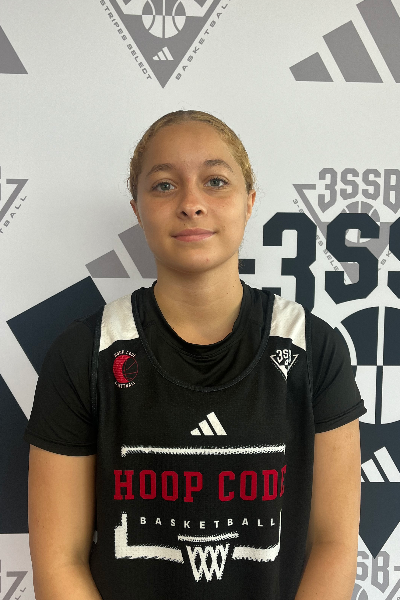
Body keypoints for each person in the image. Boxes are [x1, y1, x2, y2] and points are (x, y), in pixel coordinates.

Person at [24, 110, 367, 600]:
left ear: (249, 202)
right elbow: (60, 560)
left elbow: (334, 543)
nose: (191, 204)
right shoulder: (84, 353)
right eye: (164, 185)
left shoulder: (314, 348)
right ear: (137, 208)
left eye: (215, 181)